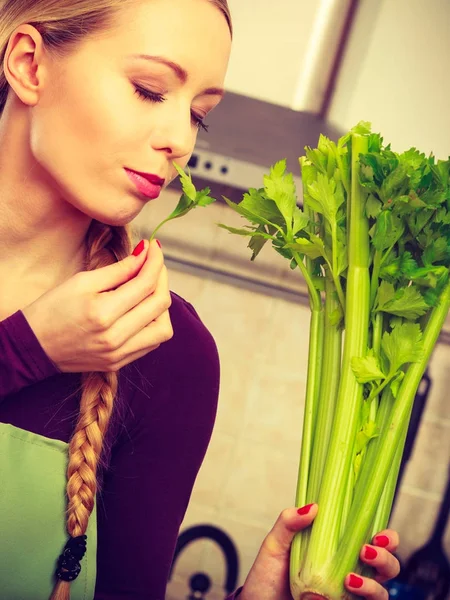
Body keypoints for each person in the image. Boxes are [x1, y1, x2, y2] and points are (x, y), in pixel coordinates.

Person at [0, 0, 400, 598]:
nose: (180, 141)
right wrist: (27, 350)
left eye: (200, 115)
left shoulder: (166, 350)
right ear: (29, 64)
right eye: (148, 89)